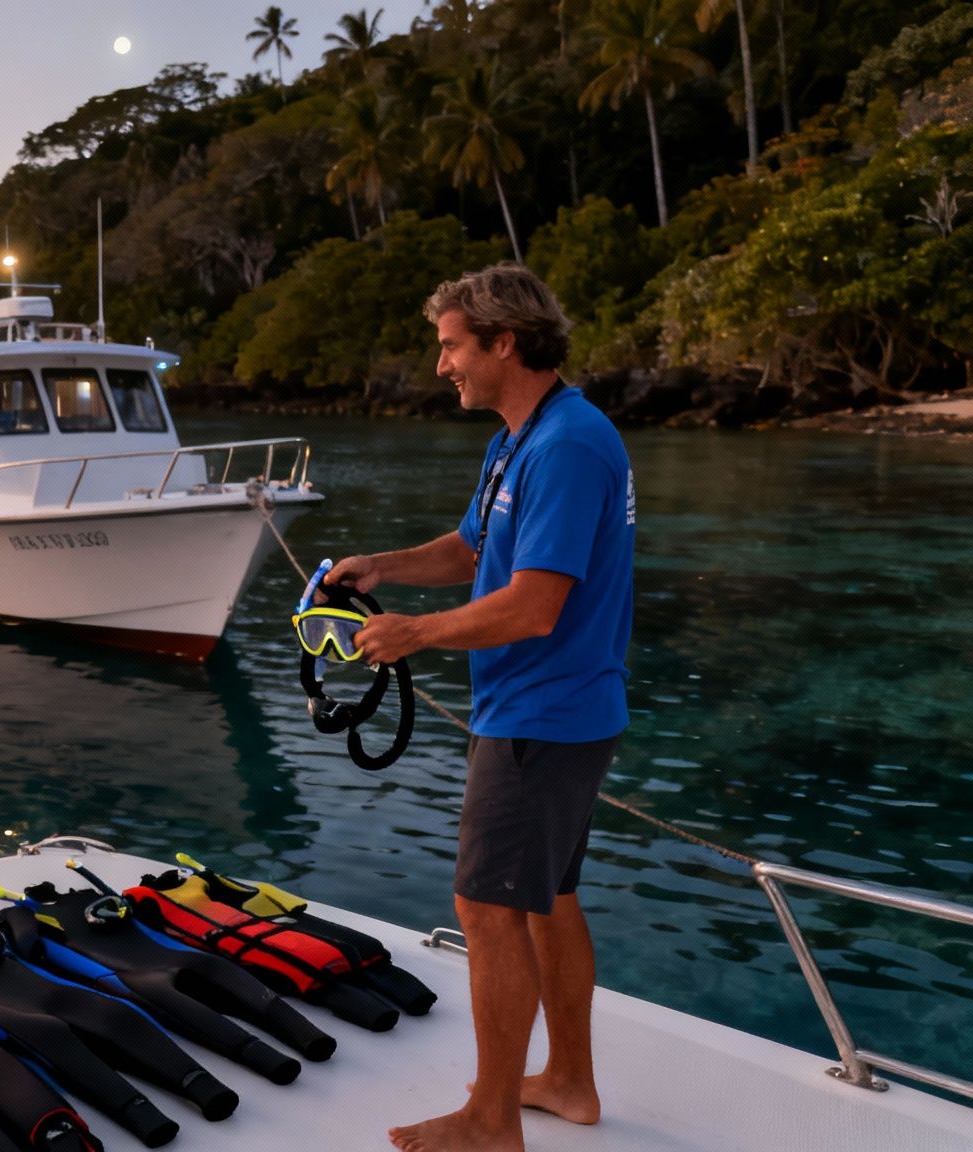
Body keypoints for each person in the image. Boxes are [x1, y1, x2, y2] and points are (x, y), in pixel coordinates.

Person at [325, 264, 634, 1152]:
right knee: (548, 900)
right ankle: (569, 1081)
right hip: (558, 710)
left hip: (541, 715)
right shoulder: (522, 435)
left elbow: (535, 605)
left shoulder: (568, 445)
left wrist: (413, 633)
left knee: (488, 910)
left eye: (453, 346)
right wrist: (383, 568)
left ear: (506, 342)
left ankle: (492, 1120)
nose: (442, 365)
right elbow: (472, 548)